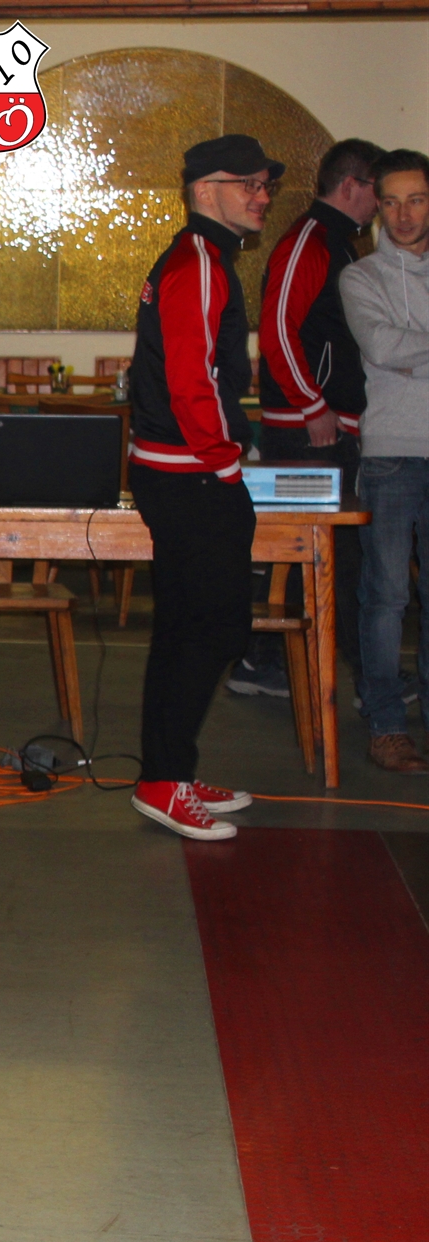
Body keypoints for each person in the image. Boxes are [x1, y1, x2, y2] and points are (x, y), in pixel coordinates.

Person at [125, 135, 279, 839]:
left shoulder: (202, 258)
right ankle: (164, 780)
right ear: (205, 189)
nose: (262, 196)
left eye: (265, 184)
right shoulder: (198, 263)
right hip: (190, 474)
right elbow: (195, 381)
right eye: (248, 183)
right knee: (214, 626)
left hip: (179, 471)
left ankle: (169, 774)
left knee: (187, 626)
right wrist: (224, 464)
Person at [233, 138, 383, 703]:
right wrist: (313, 407)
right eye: (379, 193)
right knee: (324, 554)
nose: (383, 207)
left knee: (317, 553)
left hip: (324, 423)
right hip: (307, 427)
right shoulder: (309, 241)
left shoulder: (336, 242)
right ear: (351, 186)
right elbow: (277, 330)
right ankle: (361, 678)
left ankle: (266, 661)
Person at [341, 149, 429, 774]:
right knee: (386, 598)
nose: (403, 215)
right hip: (391, 454)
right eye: (391, 202)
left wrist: (409, 352)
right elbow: (380, 345)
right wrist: (400, 351)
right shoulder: (361, 277)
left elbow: (402, 350)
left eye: (416, 200)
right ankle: (387, 726)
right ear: (377, 206)